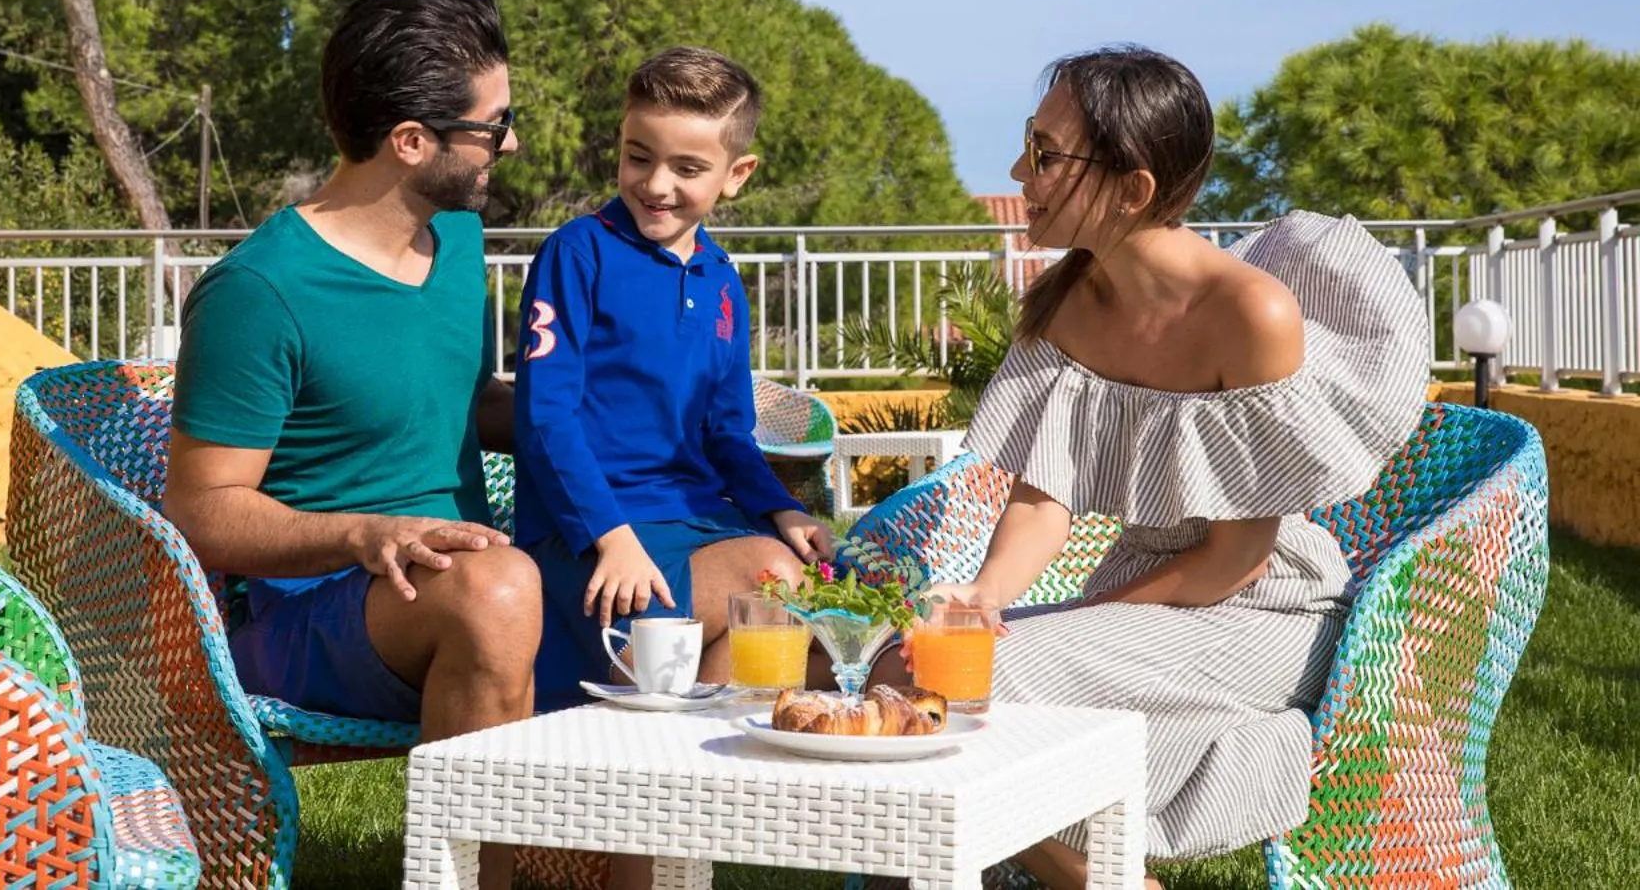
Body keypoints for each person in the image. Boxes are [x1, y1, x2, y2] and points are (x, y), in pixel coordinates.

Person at [912, 46, 1429, 890]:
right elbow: (1045, 501)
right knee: (942, 659)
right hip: (1148, 589)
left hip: (1263, 610)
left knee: (986, 680)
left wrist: (1074, 618)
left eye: (1045, 154)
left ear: (1133, 188)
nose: (1019, 170)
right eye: (1028, 144)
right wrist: (988, 597)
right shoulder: (1067, 303)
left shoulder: (1249, 312)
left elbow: (1236, 556)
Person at [162, 0, 536, 890]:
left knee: (716, 570)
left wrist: (628, 426)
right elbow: (201, 511)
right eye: (495, 124)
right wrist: (366, 533)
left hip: (455, 574)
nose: (511, 143)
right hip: (307, 609)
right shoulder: (260, 292)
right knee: (497, 591)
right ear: (411, 141)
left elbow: (450, 400)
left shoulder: (454, 241)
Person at [513, 46, 836, 713]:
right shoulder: (576, 253)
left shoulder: (721, 279)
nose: (656, 184)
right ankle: (652, 762)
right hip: (596, 535)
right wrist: (612, 537)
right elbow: (546, 416)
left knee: (802, 612)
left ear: (736, 173)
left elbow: (726, 431)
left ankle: (690, 791)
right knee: (772, 580)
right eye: (639, 156)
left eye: (687, 167)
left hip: (700, 521)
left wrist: (783, 507)